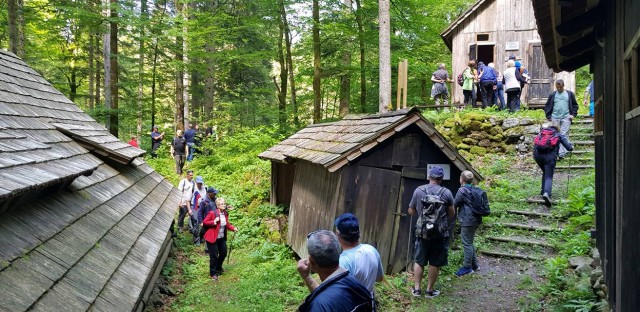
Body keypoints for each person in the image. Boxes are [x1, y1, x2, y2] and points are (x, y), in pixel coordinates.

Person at [296, 230, 373, 312]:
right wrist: (307, 277)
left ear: (312, 262)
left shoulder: (319, 306)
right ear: (339, 253)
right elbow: (329, 293)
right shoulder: (358, 287)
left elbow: (326, 298)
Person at [407, 166, 455, 298]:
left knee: (419, 260)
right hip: (439, 234)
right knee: (435, 262)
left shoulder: (419, 190)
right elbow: (451, 214)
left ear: (429, 177)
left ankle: (417, 290)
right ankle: (429, 290)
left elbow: (410, 211)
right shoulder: (447, 192)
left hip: (422, 233)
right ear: (441, 179)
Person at [334, 213, 384, 296]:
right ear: (359, 234)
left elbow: (337, 294)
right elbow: (379, 278)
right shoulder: (371, 250)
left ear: (338, 235)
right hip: (368, 303)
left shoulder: (343, 261)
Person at [453, 171, 487, 277]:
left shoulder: (462, 190)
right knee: (469, 242)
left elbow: (455, 203)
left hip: (467, 220)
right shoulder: (474, 189)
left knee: (467, 243)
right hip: (476, 219)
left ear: (461, 179)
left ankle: (467, 267)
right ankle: (475, 265)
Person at [533, 122, 574, 206]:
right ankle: (546, 193)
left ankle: (543, 191)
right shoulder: (558, 134)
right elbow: (568, 148)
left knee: (545, 172)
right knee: (549, 176)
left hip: (538, 157)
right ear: (557, 128)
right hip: (550, 157)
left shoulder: (541, 133)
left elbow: (535, 146)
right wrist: (572, 146)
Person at [202, 197, 237, 280]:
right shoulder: (212, 213)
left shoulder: (225, 213)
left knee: (224, 252)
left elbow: (227, 224)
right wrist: (213, 221)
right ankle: (212, 273)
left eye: (224, 203)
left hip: (221, 237)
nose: (224, 205)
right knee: (214, 256)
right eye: (222, 204)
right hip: (212, 238)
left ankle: (218, 267)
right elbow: (205, 222)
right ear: (217, 205)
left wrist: (233, 228)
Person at [544, 79, 579, 159]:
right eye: (557, 87)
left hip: (566, 117)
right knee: (555, 134)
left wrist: (573, 114)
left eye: (560, 87)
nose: (559, 89)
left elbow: (575, 105)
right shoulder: (553, 95)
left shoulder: (569, 94)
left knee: (563, 134)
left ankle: (561, 153)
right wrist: (548, 116)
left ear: (563, 86)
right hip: (555, 117)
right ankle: (557, 152)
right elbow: (547, 106)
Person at [190, 176, 207, 245]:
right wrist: (189, 209)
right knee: (196, 223)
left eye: (201, 183)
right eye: (198, 183)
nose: (199, 184)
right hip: (194, 207)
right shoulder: (193, 187)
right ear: (196, 182)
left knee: (204, 222)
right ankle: (196, 239)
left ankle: (201, 236)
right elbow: (188, 198)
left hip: (202, 207)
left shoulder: (205, 188)